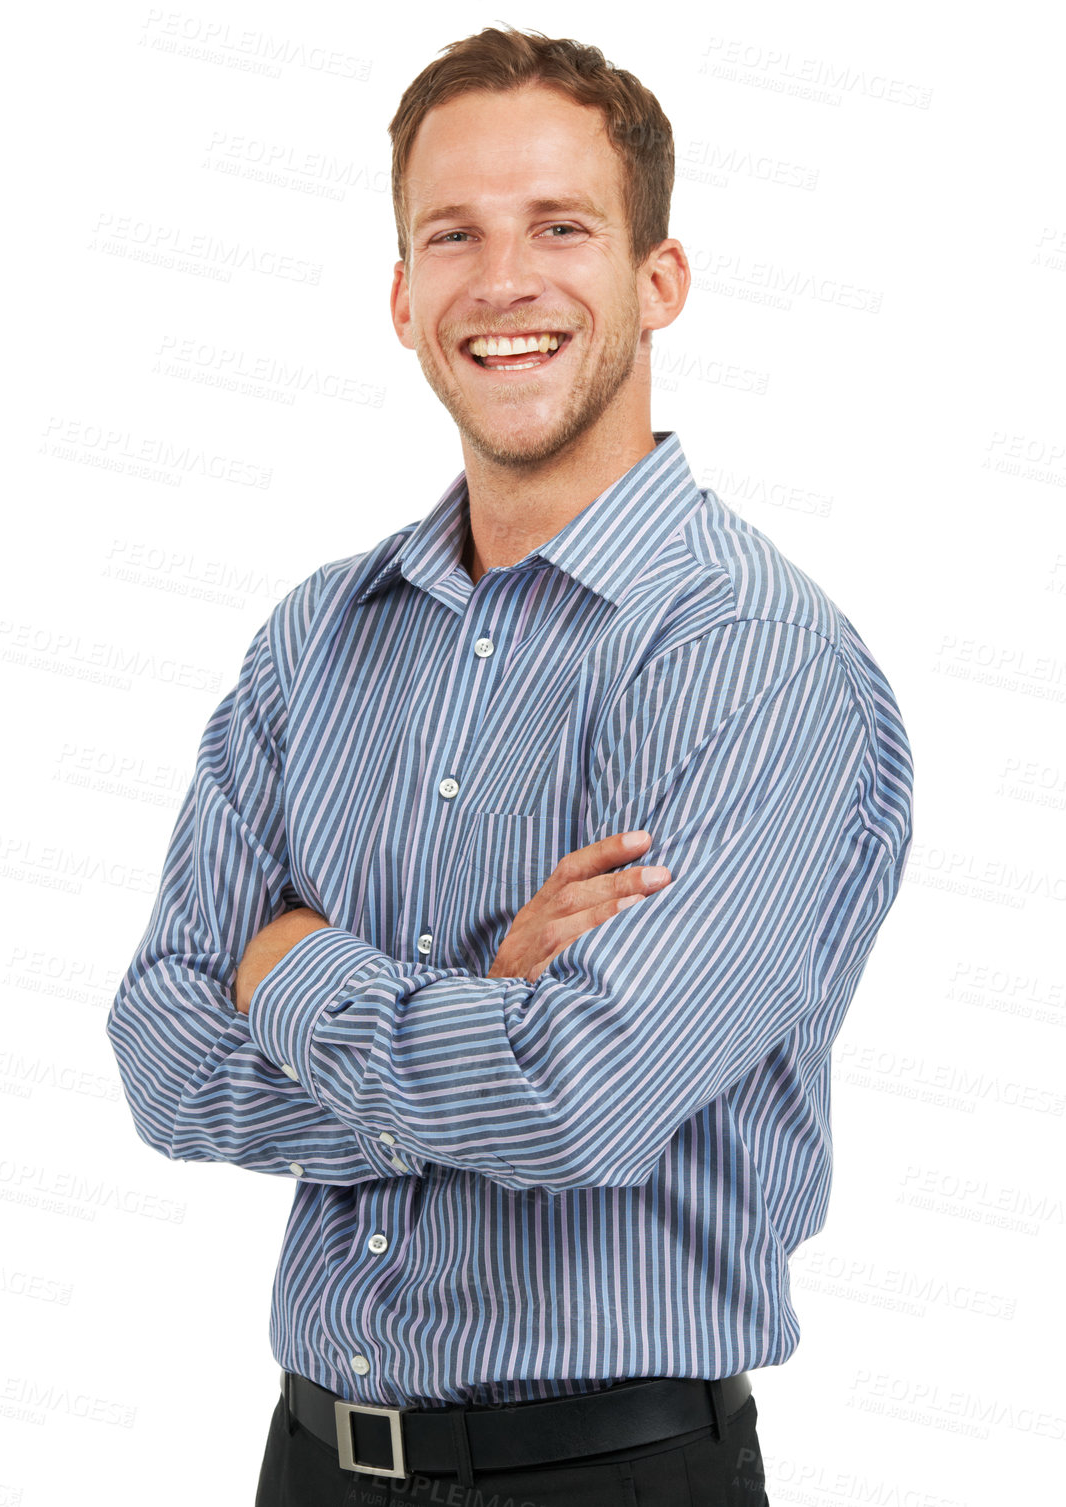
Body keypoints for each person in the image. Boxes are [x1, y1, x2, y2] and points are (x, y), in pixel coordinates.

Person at [105, 24, 914, 1506]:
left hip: (603, 1476)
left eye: (561, 226)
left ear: (656, 278)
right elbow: (160, 1055)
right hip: (308, 1464)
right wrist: (484, 1010)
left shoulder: (747, 659)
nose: (504, 281)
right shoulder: (316, 643)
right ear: (404, 297)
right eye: (453, 235)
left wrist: (290, 971)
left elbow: (580, 1102)